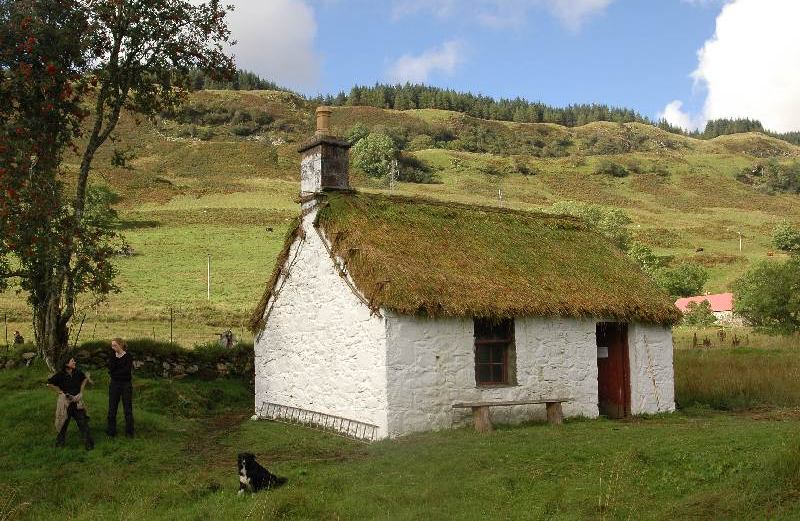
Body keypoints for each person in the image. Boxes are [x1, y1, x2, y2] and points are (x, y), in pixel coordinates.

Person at [47, 355, 94, 450]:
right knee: (63, 423)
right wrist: (59, 392)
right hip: (66, 403)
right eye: (72, 361)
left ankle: (89, 444)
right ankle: (60, 444)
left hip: (77, 402)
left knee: (83, 423)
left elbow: (85, 379)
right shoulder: (60, 375)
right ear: (66, 364)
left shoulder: (77, 372)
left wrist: (81, 392)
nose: (74, 362)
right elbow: (49, 384)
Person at [107, 337, 134, 438]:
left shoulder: (128, 357)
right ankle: (111, 432)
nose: (113, 347)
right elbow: (110, 369)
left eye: (115, 345)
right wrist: (114, 357)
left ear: (121, 345)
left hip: (126, 385)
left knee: (127, 409)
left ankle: (129, 432)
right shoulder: (112, 356)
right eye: (112, 345)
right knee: (112, 408)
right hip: (114, 384)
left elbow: (127, 371)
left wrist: (115, 373)